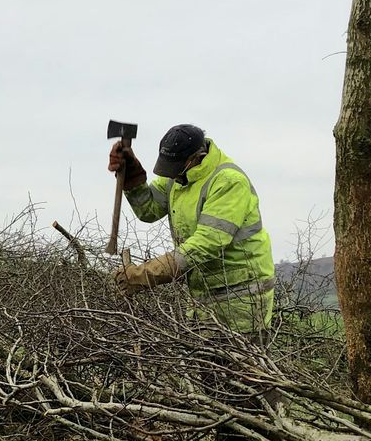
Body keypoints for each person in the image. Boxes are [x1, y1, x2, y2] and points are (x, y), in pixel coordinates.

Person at [108, 124, 274, 334]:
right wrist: (133, 177)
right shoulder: (179, 177)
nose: (173, 176)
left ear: (197, 157)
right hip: (203, 298)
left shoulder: (228, 182)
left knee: (240, 366)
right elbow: (148, 209)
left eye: (176, 169)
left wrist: (144, 275)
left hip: (242, 301)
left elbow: (206, 245)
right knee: (205, 365)